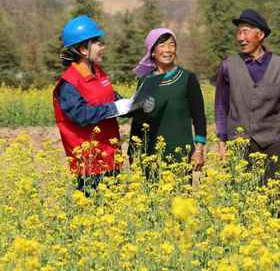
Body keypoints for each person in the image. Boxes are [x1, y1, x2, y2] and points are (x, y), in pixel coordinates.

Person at [215, 9, 280, 183]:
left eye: (245, 31)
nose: (240, 37)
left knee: (274, 200)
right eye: (238, 32)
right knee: (239, 202)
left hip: (273, 144)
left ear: (260, 35)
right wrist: (222, 141)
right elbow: (221, 107)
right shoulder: (227, 66)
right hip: (238, 145)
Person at [52, 15, 133, 195]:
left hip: (110, 158)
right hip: (89, 166)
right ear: (83, 50)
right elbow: (81, 115)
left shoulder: (99, 74)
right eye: (97, 42)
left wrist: (134, 105)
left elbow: (112, 100)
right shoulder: (69, 83)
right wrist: (116, 108)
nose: (102, 47)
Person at [128, 28, 207, 177]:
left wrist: (199, 150)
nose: (168, 50)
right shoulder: (145, 81)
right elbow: (138, 120)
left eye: (172, 45)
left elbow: (199, 117)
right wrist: (132, 154)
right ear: (152, 52)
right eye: (162, 45)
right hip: (151, 156)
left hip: (181, 155)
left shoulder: (187, 79)